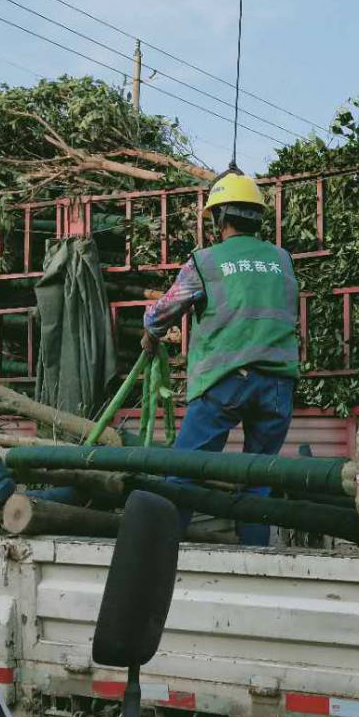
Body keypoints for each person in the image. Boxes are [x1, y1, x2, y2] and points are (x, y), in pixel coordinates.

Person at [141, 166, 299, 545]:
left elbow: (163, 312)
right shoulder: (282, 260)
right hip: (278, 386)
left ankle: (162, 556)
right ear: (257, 218)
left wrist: (150, 335)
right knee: (257, 481)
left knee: (183, 472)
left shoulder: (206, 261)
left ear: (219, 218)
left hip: (224, 381)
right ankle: (254, 565)